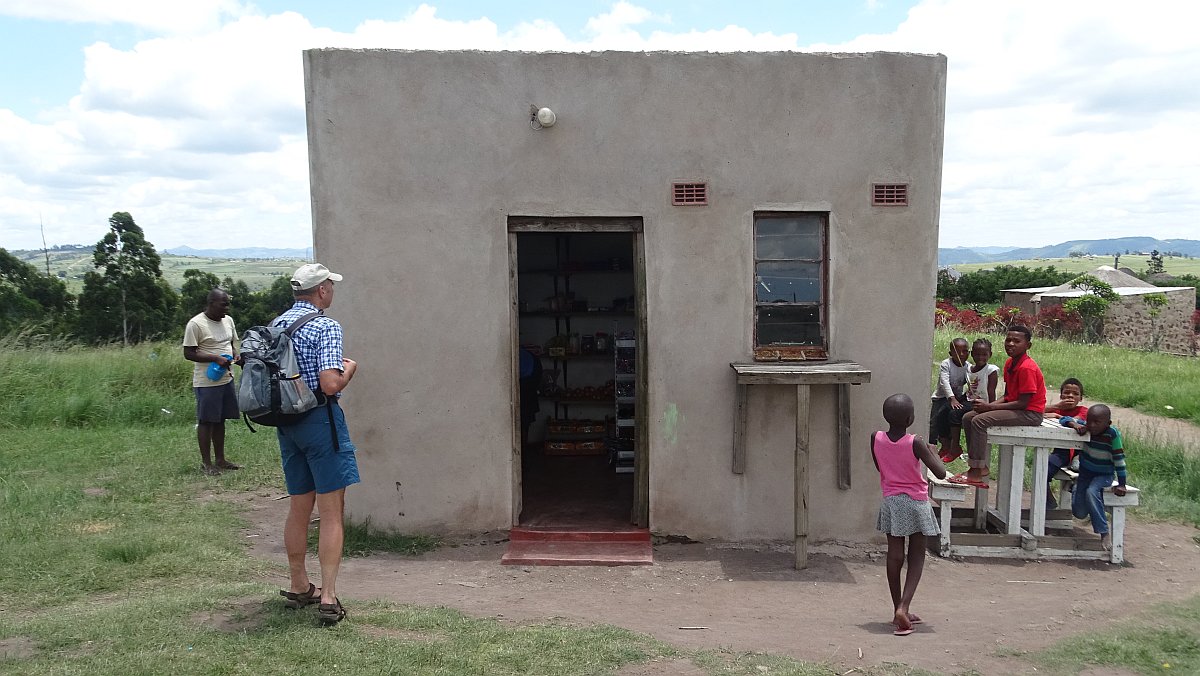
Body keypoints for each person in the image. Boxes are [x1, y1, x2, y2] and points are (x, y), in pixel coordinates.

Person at [274, 263, 359, 626]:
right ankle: (328, 595)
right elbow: (329, 384)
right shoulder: (325, 326)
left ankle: (298, 584)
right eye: (330, 286)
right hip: (320, 421)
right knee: (331, 510)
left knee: (299, 507)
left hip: (287, 422)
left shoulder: (276, 325)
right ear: (321, 291)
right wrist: (350, 369)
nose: (332, 291)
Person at [870, 393, 948, 637]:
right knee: (916, 557)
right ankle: (904, 606)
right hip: (915, 502)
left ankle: (897, 608)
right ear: (910, 418)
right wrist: (931, 451)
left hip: (891, 502)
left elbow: (879, 466)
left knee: (894, 556)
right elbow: (941, 473)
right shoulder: (915, 442)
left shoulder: (876, 438)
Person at [952, 325, 1046, 488]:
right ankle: (979, 466)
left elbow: (1023, 403)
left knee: (980, 421)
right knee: (968, 417)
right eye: (1008, 340)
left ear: (1027, 345)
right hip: (1017, 409)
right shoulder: (1010, 363)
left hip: (1030, 413)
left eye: (1017, 341)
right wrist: (988, 405)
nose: (1011, 344)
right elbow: (1008, 395)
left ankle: (975, 472)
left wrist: (989, 408)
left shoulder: (1027, 368)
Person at [182, 288, 242, 476]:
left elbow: (230, 345)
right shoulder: (196, 324)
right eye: (223, 304)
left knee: (220, 419)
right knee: (206, 421)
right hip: (206, 382)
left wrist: (236, 355)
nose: (227, 308)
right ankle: (206, 463)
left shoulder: (228, 321)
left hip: (225, 378)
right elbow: (189, 353)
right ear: (211, 303)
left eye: (227, 304)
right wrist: (215, 358)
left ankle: (221, 459)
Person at [1061, 404, 1126, 550]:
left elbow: (1119, 461)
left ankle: (1104, 532)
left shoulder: (1112, 435)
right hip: (1085, 473)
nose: (1092, 425)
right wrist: (1075, 424)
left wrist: (1122, 483)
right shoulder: (1087, 427)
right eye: (1089, 421)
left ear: (1107, 423)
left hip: (1104, 475)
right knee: (1079, 513)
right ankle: (1076, 487)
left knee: (1092, 491)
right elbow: (1064, 419)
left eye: (1097, 422)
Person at [941, 338, 999, 463]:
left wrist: (991, 407)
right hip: (969, 397)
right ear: (972, 354)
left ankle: (955, 447)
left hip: (981, 401)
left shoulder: (991, 370)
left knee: (955, 413)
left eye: (984, 354)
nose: (980, 357)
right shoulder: (969, 368)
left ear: (990, 355)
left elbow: (991, 391)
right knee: (945, 408)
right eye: (977, 354)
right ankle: (946, 443)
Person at [1043, 378, 1088, 508]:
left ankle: (1077, 499)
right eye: (1067, 392)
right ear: (1061, 395)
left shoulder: (1083, 410)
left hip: (1080, 453)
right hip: (1062, 452)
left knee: (1079, 471)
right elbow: (1035, 413)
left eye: (1075, 394)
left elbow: (1076, 421)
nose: (1070, 396)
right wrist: (1057, 407)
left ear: (1080, 398)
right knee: (1042, 468)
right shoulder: (1058, 409)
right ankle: (1048, 501)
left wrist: (1057, 416)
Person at [929, 338, 970, 457]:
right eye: (957, 352)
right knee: (935, 422)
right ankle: (931, 445)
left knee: (950, 421)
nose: (961, 355)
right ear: (951, 353)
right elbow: (944, 382)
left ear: (969, 352)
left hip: (957, 398)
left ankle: (948, 445)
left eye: (964, 351)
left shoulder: (968, 367)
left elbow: (971, 383)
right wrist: (951, 398)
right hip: (942, 397)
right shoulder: (946, 364)